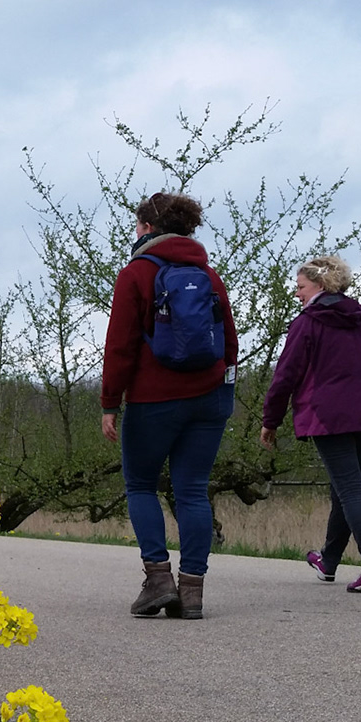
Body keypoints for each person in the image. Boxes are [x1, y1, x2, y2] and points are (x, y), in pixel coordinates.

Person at [101, 192, 239, 620]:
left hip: (153, 401)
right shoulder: (209, 275)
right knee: (193, 490)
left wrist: (110, 403)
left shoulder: (136, 273)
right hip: (209, 397)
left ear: (146, 227)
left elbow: (120, 347)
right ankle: (192, 592)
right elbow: (230, 343)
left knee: (141, 485)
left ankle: (158, 580)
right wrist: (224, 391)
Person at [259, 255, 361, 593]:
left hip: (328, 416)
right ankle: (328, 561)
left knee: (350, 489)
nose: (297, 294)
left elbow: (285, 376)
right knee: (344, 487)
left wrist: (271, 420)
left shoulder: (307, 323)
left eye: (300, 287)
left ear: (320, 286)